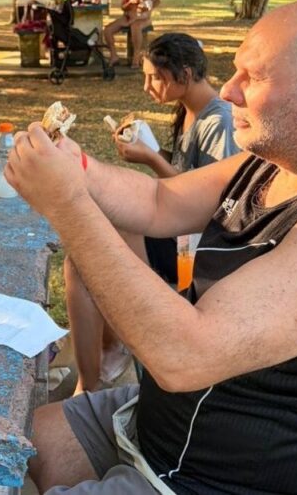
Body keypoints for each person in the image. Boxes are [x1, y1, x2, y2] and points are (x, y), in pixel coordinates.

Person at [6, 0, 297, 493]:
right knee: (20, 441)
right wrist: (75, 167)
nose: (229, 91)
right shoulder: (276, 159)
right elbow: (157, 200)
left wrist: (66, 204)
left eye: (252, 78)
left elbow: (182, 354)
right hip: (157, 428)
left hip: (216, 479)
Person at [68, 33, 238, 394]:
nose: (147, 86)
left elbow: (213, 202)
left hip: (195, 249)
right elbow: (186, 174)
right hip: (176, 231)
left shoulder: (218, 122)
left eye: (154, 77)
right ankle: (110, 352)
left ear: (185, 74)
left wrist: (151, 159)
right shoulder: (191, 111)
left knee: (87, 256)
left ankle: (91, 381)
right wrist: (150, 150)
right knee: (92, 240)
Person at [102, 0, 153, 68]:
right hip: (128, 16)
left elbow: (151, 6)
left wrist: (138, 13)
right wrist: (129, 2)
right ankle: (114, 56)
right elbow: (123, 7)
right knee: (108, 30)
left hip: (143, 17)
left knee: (135, 26)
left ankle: (136, 58)